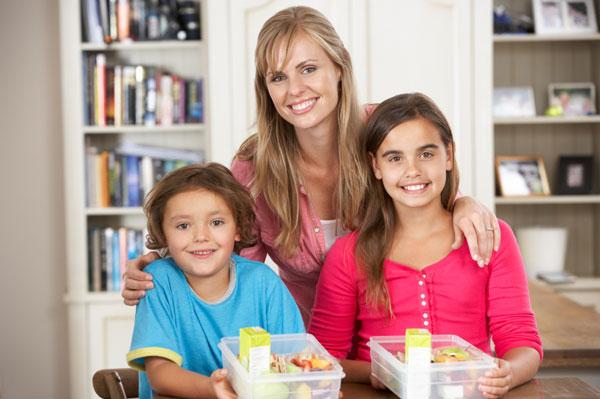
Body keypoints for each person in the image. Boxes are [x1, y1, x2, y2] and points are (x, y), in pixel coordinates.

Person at [122, 6, 501, 325]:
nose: (295, 90)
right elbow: (232, 269)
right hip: (310, 343)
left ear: (339, 67)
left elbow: (428, 193)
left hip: (398, 337)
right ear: (266, 89)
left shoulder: (386, 133)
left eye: (308, 69)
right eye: (278, 77)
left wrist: (462, 204)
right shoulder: (254, 168)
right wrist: (165, 269)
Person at [308, 93, 542, 399]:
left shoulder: (491, 237)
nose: (412, 170)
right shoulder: (348, 255)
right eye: (395, 158)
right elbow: (324, 358)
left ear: (448, 155)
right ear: (375, 166)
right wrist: (378, 371)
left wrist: (508, 373)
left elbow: (521, 340)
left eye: (426, 154)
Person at [126, 163, 304, 399]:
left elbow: (295, 363)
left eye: (216, 222)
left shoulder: (263, 283)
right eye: (183, 226)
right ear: (163, 234)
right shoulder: (158, 282)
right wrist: (216, 388)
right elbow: (160, 374)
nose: (201, 236)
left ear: (238, 228)